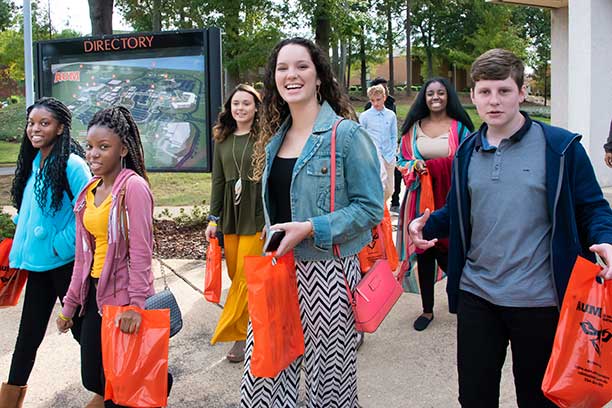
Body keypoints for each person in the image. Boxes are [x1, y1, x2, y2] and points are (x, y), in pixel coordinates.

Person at [408, 49, 612, 407]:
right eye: (485, 92)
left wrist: (606, 240)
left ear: (521, 92)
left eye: (504, 91)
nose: (494, 101)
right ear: (473, 96)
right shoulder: (467, 150)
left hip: (541, 301)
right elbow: (460, 208)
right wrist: (427, 225)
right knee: (474, 397)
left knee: (537, 400)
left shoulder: (561, 148)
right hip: (477, 296)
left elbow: (593, 208)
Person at [241, 37, 383, 407]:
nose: (291, 74)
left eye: (302, 66)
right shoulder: (274, 139)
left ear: (319, 76)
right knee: (263, 385)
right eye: (282, 68)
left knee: (329, 391)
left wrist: (310, 228)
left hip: (329, 275)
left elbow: (371, 209)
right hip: (277, 272)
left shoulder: (347, 135)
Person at [57, 107, 171, 408]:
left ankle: (157, 380)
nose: (93, 154)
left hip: (122, 298)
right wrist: (69, 306)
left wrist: (136, 305)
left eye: (103, 147)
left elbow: (141, 252)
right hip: (94, 293)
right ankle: (159, 377)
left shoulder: (133, 188)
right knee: (93, 377)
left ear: (122, 149)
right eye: (90, 146)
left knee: (119, 385)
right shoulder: (88, 191)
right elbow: (83, 258)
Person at [0, 97, 90, 408]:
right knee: (27, 338)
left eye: (44, 123)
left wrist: (57, 245)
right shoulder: (36, 162)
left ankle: (115, 391)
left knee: (84, 336)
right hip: (39, 267)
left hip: (65, 267)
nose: (35, 129)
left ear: (61, 127)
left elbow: (88, 213)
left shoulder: (73, 164)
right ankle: (10, 399)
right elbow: (34, 212)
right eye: (31, 123)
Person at [396, 77, 474, 331]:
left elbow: (471, 159)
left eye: (441, 93)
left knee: (455, 252)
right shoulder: (413, 129)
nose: (436, 97)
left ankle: (464, 305)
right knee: (425, 251)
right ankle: (427, 310)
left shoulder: (460, 128)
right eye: (430, 94)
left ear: (448, 96)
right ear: (424, 98)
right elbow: (402, 159)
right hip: (420, 199)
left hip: (452, 200)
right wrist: (413, 166)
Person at [205, 84, 265, 363]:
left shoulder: (266, 136)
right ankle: (252, 324)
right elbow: (218, 181)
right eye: (235, 104)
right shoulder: (222, 138)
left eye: (246, 104)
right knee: (234, 273)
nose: (240, 108)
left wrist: (270, 218)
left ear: (256, 108)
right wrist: (213, 218)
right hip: (231, 211)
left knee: (246, 274)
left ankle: (239, 334)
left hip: (256, 212)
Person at [364, 77, 402, 213]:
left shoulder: (391, 115)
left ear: (384, 98)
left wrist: (393, 151)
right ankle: (376, 210)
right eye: (372, 101)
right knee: (380, 178)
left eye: (378, 100)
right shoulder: (365, 116)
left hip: (389, 153)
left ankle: (381, 205)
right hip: (373, 152)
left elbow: (393, 135)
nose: (375, 103)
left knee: (389, 188)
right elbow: (362, 136)